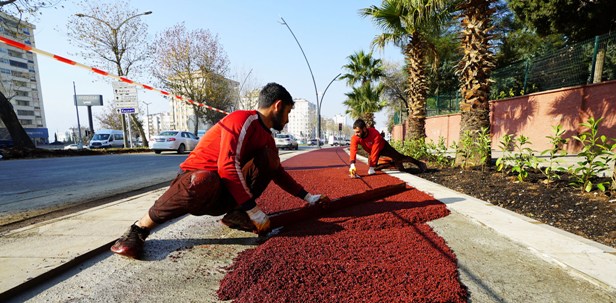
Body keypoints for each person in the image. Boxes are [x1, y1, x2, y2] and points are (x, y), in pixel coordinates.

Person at [111, 83, 328, 259]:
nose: (288, 119)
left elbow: (277, 171)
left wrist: (308, 197)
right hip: (197, 185)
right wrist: (253, 210)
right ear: (278, 106)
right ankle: (138, 230)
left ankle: (235, 215)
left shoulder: (267, 138)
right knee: (204, 179)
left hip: (224, 191)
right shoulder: (243, 120)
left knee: (269, 158)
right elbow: (227, 165)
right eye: (288, 112)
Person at [348, 119, 426, 177]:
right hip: (372, 151)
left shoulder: (374, 133)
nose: (356, 134)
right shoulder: (355, 137)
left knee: (400, 158)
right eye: (355, 132)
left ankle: (419, 163)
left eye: (358, 132)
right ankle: (391, 163)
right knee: (374, 168)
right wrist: (352, 164)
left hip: (383, 147)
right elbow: (353, 149)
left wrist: (371, 166)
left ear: (364, 129)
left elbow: (375, 150)